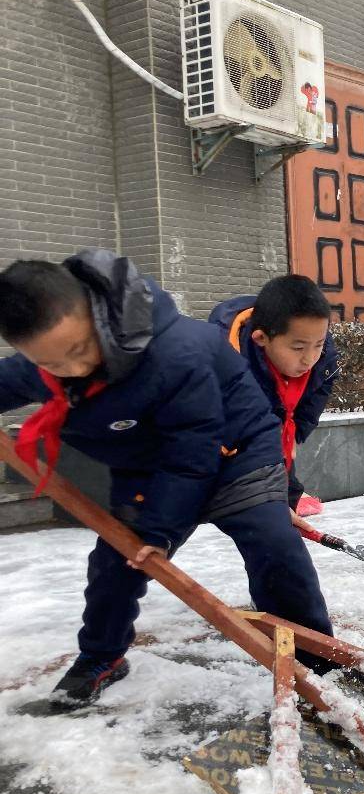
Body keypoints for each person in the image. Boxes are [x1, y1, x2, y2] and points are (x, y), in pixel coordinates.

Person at [0, 251, 335, 708]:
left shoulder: (172, 353)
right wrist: (147, 536)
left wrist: (159, 531)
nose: (73, 370)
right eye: (52, 364)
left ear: (97, 315)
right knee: (118, 564)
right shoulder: (55, 354)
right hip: (150, 469)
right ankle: (101, 656)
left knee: (274, 544)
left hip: (236, 453)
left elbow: (192, 450)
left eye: (79, 351)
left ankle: (315, 656)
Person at [209, 276, 338, 519]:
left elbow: (317, 394)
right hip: (223, 459)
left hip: (276, 438)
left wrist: (295, 432)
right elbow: (232, 431)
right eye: (298, 348)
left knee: (284, 503)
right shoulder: (228, 362)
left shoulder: (322, 357)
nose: (310, 358)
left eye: (318, 344)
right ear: (261, 338)